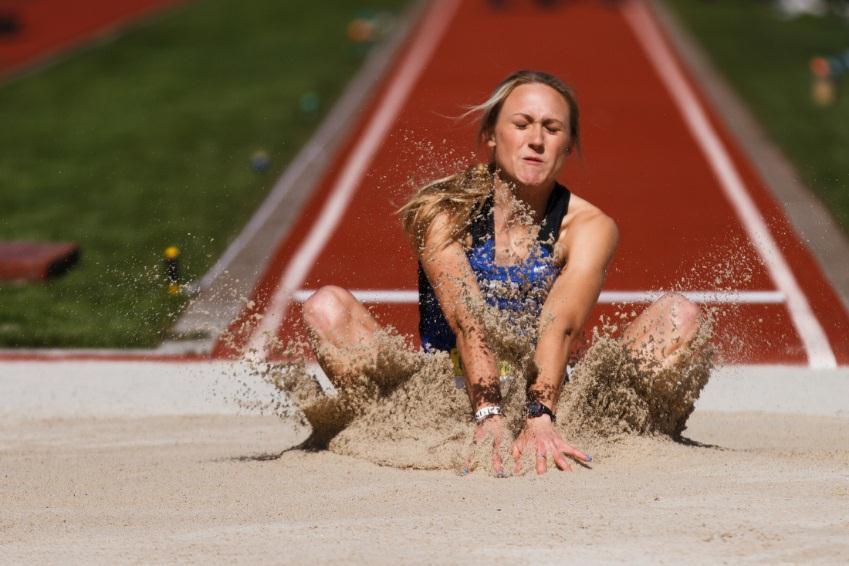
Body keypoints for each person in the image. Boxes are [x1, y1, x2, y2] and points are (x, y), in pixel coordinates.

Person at [302, 70, 702, 475]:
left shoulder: (589, 226)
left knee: (678, 315)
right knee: (326, 307)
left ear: (568, 145)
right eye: (522, 124)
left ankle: (620, 431)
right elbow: (466, 317)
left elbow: (560, 323)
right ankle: (387, 426)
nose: (536, 140)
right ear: (492, 135)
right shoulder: (443, 209)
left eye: (552, 128)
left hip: (543, 394)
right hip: (443, 390)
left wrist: (540, 414)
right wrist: (489, 413)